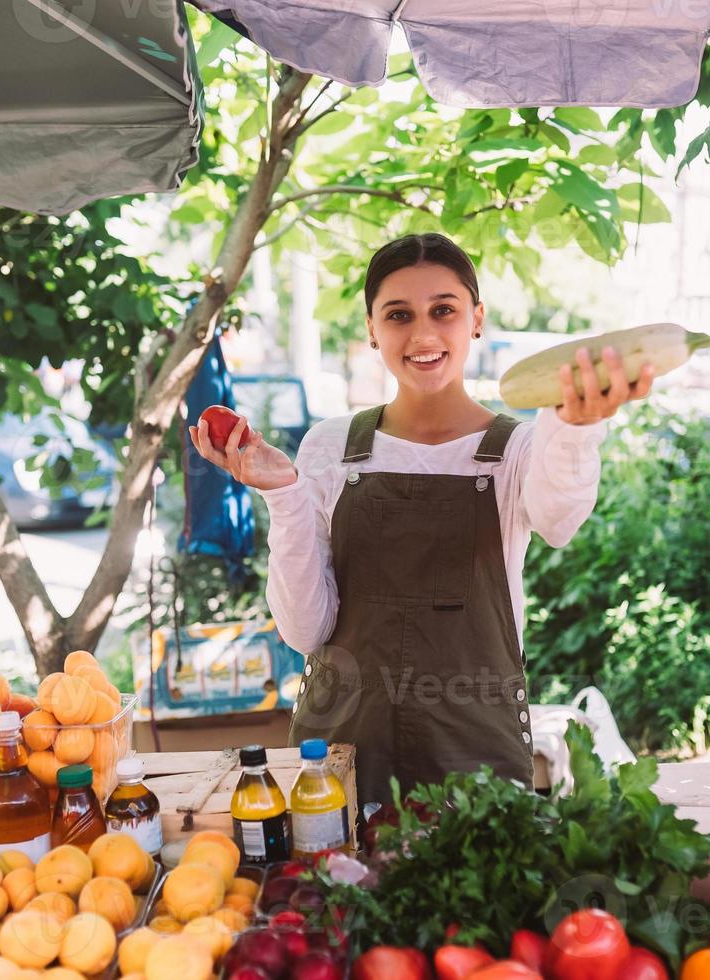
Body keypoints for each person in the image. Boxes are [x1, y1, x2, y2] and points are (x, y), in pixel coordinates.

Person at [189, 233, 653, 810]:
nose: (424, 334)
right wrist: (284, 494)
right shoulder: (331, 447)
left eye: (444, 310)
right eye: (399, 315)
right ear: (371, 329)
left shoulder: (517, 450)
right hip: (342, 748)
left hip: (474, 745)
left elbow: (560, 519)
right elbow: (307, 633)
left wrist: (576, 427)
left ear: (476, 319)